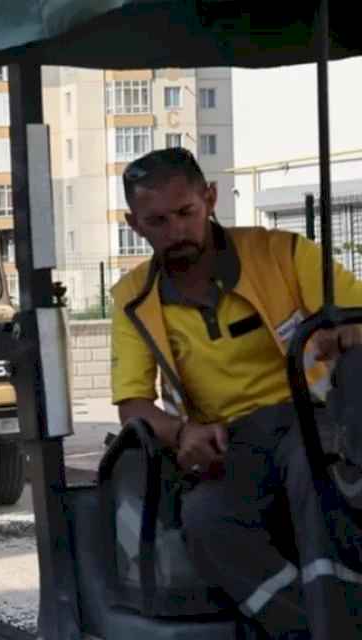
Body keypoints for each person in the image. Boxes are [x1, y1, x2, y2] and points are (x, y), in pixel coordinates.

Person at [110, 146, 362, 638]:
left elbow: (357, 319)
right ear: (134, 224)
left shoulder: (284, 254)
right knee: (205, 519)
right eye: (156, 221)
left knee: (313, 472)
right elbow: (134, 406)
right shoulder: (133, 300)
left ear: (211, 198)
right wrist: (183, 433)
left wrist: (346, 335)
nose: (175, 230)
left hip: (308, 417)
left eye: (185, 213)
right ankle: (307, 627)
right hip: (229, 443)